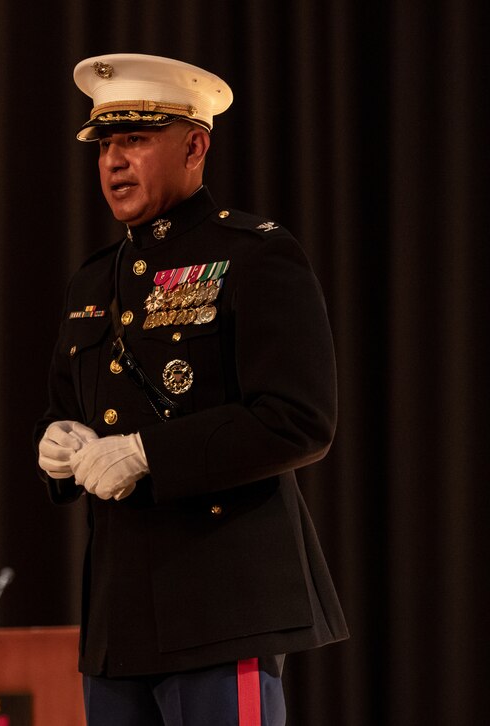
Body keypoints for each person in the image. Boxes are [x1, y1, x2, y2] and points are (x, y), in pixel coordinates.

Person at [34, 53, 348, 725]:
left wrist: (150, 453)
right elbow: (69, 409)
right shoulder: (93, 281)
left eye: (135, 140)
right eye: (106, 145)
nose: (114, 162)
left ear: (195, 145)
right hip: (118, 618)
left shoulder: (256, 254)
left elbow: (300, 419)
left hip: (221, 600)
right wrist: (58, 444)